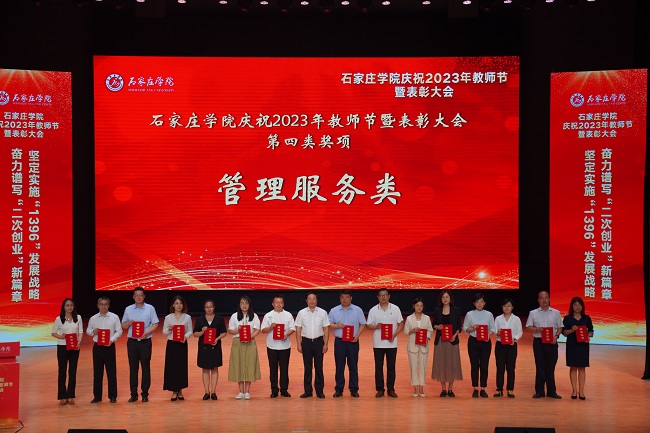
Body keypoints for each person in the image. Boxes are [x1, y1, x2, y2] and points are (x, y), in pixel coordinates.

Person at [121, 286, 159, 403]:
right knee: (133, 368)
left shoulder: (150, 308)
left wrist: (146, 333)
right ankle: (133, 394)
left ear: (144, 296)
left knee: (145, 367)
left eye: (140, 295)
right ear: (133, 297)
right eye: (136, 295)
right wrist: (129, 323)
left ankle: (145, 393)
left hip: (145, 342)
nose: (138, 297)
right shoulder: (128, 309)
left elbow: (155, 324)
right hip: (132, 342)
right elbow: (123, 325)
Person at [328, 289, 366, 398]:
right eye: (342, 297)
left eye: (347, 297)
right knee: (339, 366)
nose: (345, 299)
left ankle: (354, 389)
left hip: (353, 341)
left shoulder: (357, 310)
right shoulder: (334, 310)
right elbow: (328, 323)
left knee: (353, 366)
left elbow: (363, 324)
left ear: (351, 298)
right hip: (339, 342)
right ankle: (339, 389)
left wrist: (357, 336)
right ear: (340, 298)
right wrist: (337, 326)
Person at [366, 288, 404, 398]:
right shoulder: (373, 310)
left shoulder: (395, 309)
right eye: (381, 295)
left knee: (391, 367)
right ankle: (380, 389)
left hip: (392, 343)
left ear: (389, 296)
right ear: (378, 297)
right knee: (378, 367)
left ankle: (391, 389)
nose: (383, 297)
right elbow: (368, 325)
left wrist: (394, 335)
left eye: (385, 295)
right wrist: (376, 326)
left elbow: (401, 323)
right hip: (378, 343)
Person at [526, 290, 563, 399]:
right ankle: (539, 391)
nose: (544, 300)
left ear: (549, 299)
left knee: (550, 367)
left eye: (546, 298)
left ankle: (552, 391)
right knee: (540, 367)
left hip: (552, 342)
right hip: (539, 342)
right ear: (538, 300)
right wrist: (536, 329)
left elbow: (560, 327)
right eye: (542, 298)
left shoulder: (556, 312)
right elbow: (528, 326)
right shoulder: (533, 313)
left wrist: (556, 336)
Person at [86, 296, 123, 404]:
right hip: (97, 347)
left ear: (109, 305)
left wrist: (111, 340)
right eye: (101, 304)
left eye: (105, 304)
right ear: (98, 306)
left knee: (111, 372)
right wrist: (93, 331)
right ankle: (97, 396)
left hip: (109, 346)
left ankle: (112, 396)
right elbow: (88, 330)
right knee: (97, 372)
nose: (103, 306)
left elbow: (119, 331)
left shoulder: (114, 317)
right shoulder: (93, 318)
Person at [295, 291, 330, 399]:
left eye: (313, 299)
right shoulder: (301, 313)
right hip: (306, 342)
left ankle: (319, 391)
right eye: (309, 299)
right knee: (307, 367)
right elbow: (298, 328)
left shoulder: (323, 312)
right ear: (306, 300)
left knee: (319, 367)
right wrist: (299, 344)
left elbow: (326, 328)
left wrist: (326, 344)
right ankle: (308, 391)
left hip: (319, 342)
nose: (311, 301)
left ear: (317, 300)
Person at [261, 294, 296, 398]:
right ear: (273, 304)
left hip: (285, 346)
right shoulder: (268, 315)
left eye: (281, 302)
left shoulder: (288, 315)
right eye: (277, 302)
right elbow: (263, 330)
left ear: (283, 304)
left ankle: (284, 390)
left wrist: (286, 335)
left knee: (284, 369)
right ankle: (274, 390)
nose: (279, 304)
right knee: (273, 369)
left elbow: (293, 328)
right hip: (271, 346)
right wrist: (270, 328)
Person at [193, 299, 227, 401]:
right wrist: (202, 332)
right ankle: (206, 392)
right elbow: (195, 334)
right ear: (204, 308)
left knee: (215, 369)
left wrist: (217, 339)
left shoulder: (219, 319)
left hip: (215, 346)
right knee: (205, 369)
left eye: (211, 307)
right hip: (203, 348)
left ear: (214, 307)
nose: (209, 309)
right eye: (207, 307)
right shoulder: (200, 319)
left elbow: (224, 332)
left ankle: (214, 391)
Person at [228, 296, 262, 400]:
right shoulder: (234, 316)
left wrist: (249, 337)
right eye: (242, 303)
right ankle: (240, 391)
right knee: (238, 365)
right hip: (237, 342)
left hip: (250, 342)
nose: (244, 305)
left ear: (249, 305)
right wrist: (238, 330)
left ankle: (247, 391)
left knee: (249, 365)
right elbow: (230, 330)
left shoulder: (254, 316)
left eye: (246, 303)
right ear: (239, 305)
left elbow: (257, 329)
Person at [51, 297, 83, 405]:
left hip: (74, 347)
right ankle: (62, 396)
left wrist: (79, 342)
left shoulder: (78, 317)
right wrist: (60, 336)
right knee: (62, 371)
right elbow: (53, 332)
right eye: (67, 305)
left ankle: (70, 395)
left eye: (71, 305)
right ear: (64, 307)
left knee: (72, 371)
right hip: (62, 347)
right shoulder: (59, 319)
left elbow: (80, 332)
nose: (70, 307)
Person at [463, 292, 495, 398]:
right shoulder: (469, 314)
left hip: (485, 342)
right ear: (474, 303)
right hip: (473, 341)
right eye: (477, 302)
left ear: (484, 303)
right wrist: (473, 328)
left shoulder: (489, 314)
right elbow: (465, 329)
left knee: (484, 366)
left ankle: (483, 389)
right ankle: (475, 388)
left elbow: (493, 328)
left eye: (481, 302)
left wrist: (487, 335)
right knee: (474, 366)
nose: (480, 304)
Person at [431, 290, 462, 397]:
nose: (445, 299)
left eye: (447, 297)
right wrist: (437, 327)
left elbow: (459, 325)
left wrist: (455, 335)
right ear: (441, 299)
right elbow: (433, 324)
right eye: (443, 297)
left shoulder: (456, 310)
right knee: (442, 364)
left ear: (450, 298)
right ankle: (443, 388)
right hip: (440, 340)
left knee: (452, 364)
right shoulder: (437, 310)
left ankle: (450, 389)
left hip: (452, 341)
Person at [162, 295, 193, 401]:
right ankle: (174, 391)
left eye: (180, 303)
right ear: (173, 305)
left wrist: (185, 337)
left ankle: (180, 391)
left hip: (182, 344)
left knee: (181, 367)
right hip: (172, 344)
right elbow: (164, 332)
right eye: (176, 303)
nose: (179, 305)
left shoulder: (187, 317)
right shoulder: (168, 317)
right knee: (172, 367)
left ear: (183, 305)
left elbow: (190, 331)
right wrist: (169, 329)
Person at [562, 297, 594, 400]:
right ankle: (574, 390)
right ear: (572, 306)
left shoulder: (586, 318)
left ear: (582, 306)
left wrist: (588, 336)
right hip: (572, 345)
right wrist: (572, 330)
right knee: (573, 367)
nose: (577, 307)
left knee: (582, 368)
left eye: (579, 305)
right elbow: (564, 333)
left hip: (583, 345)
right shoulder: (567, 318)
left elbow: (591, 331)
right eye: (575, 305)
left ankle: (582, 391)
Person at [493, 297, 523, 398]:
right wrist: (497, 333)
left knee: (511, 368)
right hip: (500, 345)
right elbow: (494, 330)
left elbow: (520, 332)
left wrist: (515, 339)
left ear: (512, 307)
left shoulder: (516, 319)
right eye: (505, 306)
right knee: (500, 368)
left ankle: (510, 389)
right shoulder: (498, 318)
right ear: (502, 307)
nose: (507, 308)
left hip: (511, 346)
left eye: (509, 306)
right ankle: (499, 389)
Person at [404, 297, 433, 397]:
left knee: (422, 367)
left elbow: (430, 330)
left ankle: (421, 387)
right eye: (417, 306)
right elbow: (406, 331)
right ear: (414, 306)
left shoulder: (427, 318)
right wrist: (413, 330)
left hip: (424, 346)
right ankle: (415, 387)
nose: (419, 307)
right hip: (412, 346)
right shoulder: (409, 318)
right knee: (413, 367)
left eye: (421, 306)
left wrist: (427, 338)